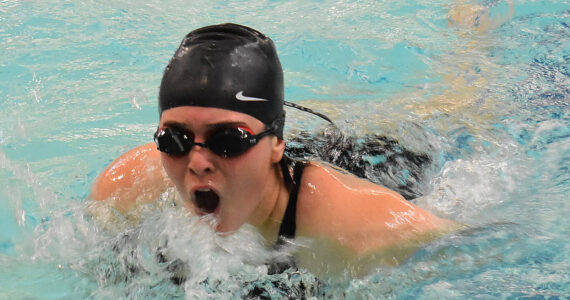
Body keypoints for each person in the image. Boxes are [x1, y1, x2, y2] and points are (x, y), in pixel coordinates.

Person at [89, 23, 459, 277]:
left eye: (228, 141)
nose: (197, 163)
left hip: (390, 167)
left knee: (458, 110)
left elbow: (482, 245)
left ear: (276, 142)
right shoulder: (126, 187)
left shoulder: (354, 225)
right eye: (175, 140)